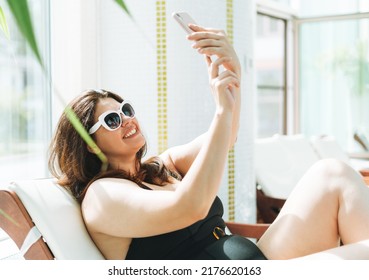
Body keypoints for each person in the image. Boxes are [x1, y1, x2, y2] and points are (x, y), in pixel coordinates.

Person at [48, 24, 369, 260]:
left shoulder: (162, 166)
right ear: (87, 145)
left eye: (126, 110)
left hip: (258, 261)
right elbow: (189, 207)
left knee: (332, 173)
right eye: (112, 120)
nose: (127, 119)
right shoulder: (102, 195)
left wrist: (233, 78)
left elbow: (227, 136)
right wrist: (221, 110)